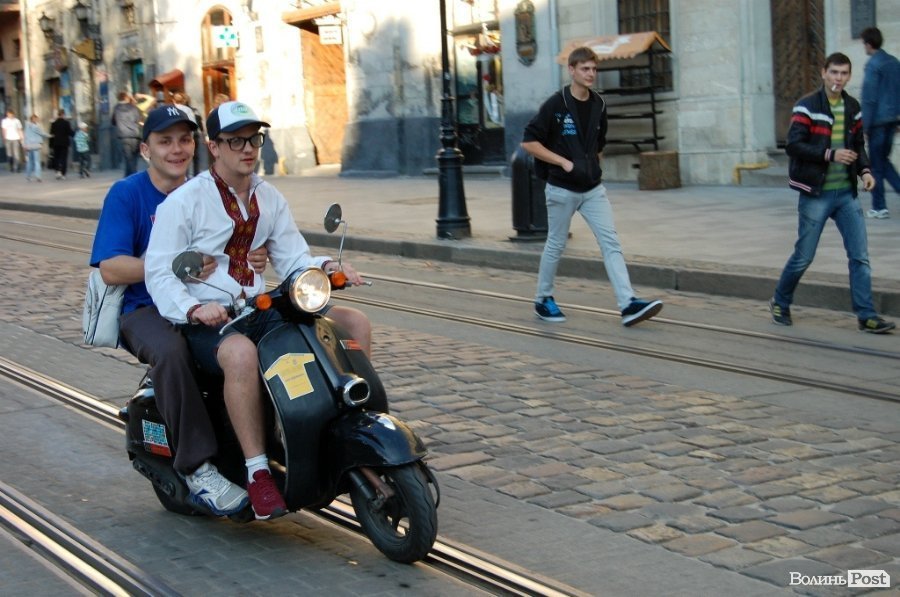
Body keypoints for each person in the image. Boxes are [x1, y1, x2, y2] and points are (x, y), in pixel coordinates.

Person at [145, 101, 372, 521]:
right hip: (208, 321)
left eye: (254, 139)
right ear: (214, 147)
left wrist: (326, 267)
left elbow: (292, 256)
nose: (247, 148)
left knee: (351, 322)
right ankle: (258, 472)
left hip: (255, 307)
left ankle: (349, 426)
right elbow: (159, 272)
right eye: (235, 141)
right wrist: (194, 308)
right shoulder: (185, 202)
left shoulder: (268, 197)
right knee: (241, 353)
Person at [90, 104, 270, 517]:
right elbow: (111, 268)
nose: (177, 149)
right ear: (145, 150)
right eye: (165, 141)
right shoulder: (127, 194)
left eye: (184, 140)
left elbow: (234, 247)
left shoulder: (209, 192)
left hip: (206, 301)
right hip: (145, 309)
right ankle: (198, 468)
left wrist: (252, 255)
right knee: (172, 352)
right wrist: (176, 264)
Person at [521, 46, 663, 327]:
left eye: (594, 69)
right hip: (562, 188)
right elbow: (529, 142)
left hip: (593, 189)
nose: (591, 74)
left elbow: (599, 144)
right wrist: (563, 162)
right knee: (556, 244)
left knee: (611, 242)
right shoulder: (556, 104)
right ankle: (543, 299)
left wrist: (592, 167)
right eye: (585, 68)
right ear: (572, 70)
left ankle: (628, 303)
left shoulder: (599, 104)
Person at [769, 52, 895, 334]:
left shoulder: (852, 107)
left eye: (844, 73)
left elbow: (858, 145)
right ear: (824, 73)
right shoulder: (807, 106)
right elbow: (794, 145)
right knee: (804, 256)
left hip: (846, 194)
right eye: (834, 72)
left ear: (849, 76)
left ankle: (866, 315)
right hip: (816, 193)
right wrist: (830, 154)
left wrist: (865, 171)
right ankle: (780, 301)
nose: (839, 78)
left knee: (860, 256)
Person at [860, 27, 900, 219]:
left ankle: (879, 206)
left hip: (877, 122)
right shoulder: (894, 62)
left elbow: (869, 98)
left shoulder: (873, 65)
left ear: (868, 44)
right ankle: (880, 205)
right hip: (892, 120)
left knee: (875, 165)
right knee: (882, 161)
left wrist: (864, 126)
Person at [111, 92, 143, 177]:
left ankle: (132, 177)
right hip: (135, 135)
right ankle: (130, 177)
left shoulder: (116, 108)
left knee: (128, 159)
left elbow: (113, 121)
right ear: (126, 98)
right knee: (134, 158)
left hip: (123, 136)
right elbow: (138, 119)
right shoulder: (133, 107)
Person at [173, 92, 204, 176]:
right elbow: (197, 123)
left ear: (174, 100)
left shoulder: (172, 109)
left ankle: (184, 175)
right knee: (195, 157)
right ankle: (195, 174)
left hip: (177, 136)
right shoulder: (192, 110)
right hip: (192, 135)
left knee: (181, 157)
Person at [23, 114, 51, 182]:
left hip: (29, 145)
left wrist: (25, 145)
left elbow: (25, 136)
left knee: (30, 161)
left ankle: (28, 176)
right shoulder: (36, 126)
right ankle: (38, 176)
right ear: (34, 119)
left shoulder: (27, 126)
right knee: (37, 162)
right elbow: (42, 133)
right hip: (35, 145)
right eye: (36, 119)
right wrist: (50, 135)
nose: (37, 120)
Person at [49, 110, 74, 180]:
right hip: (64, 144)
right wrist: (75, 134)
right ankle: (63, 173)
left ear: (58, 115)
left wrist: (50, 145)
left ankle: (57, 171)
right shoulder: (66, 123)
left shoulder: (54, 123)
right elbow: (70, 132)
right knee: (64, 158)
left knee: (56, 158)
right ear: (63, 115)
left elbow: (51, 134)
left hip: (56, 143)